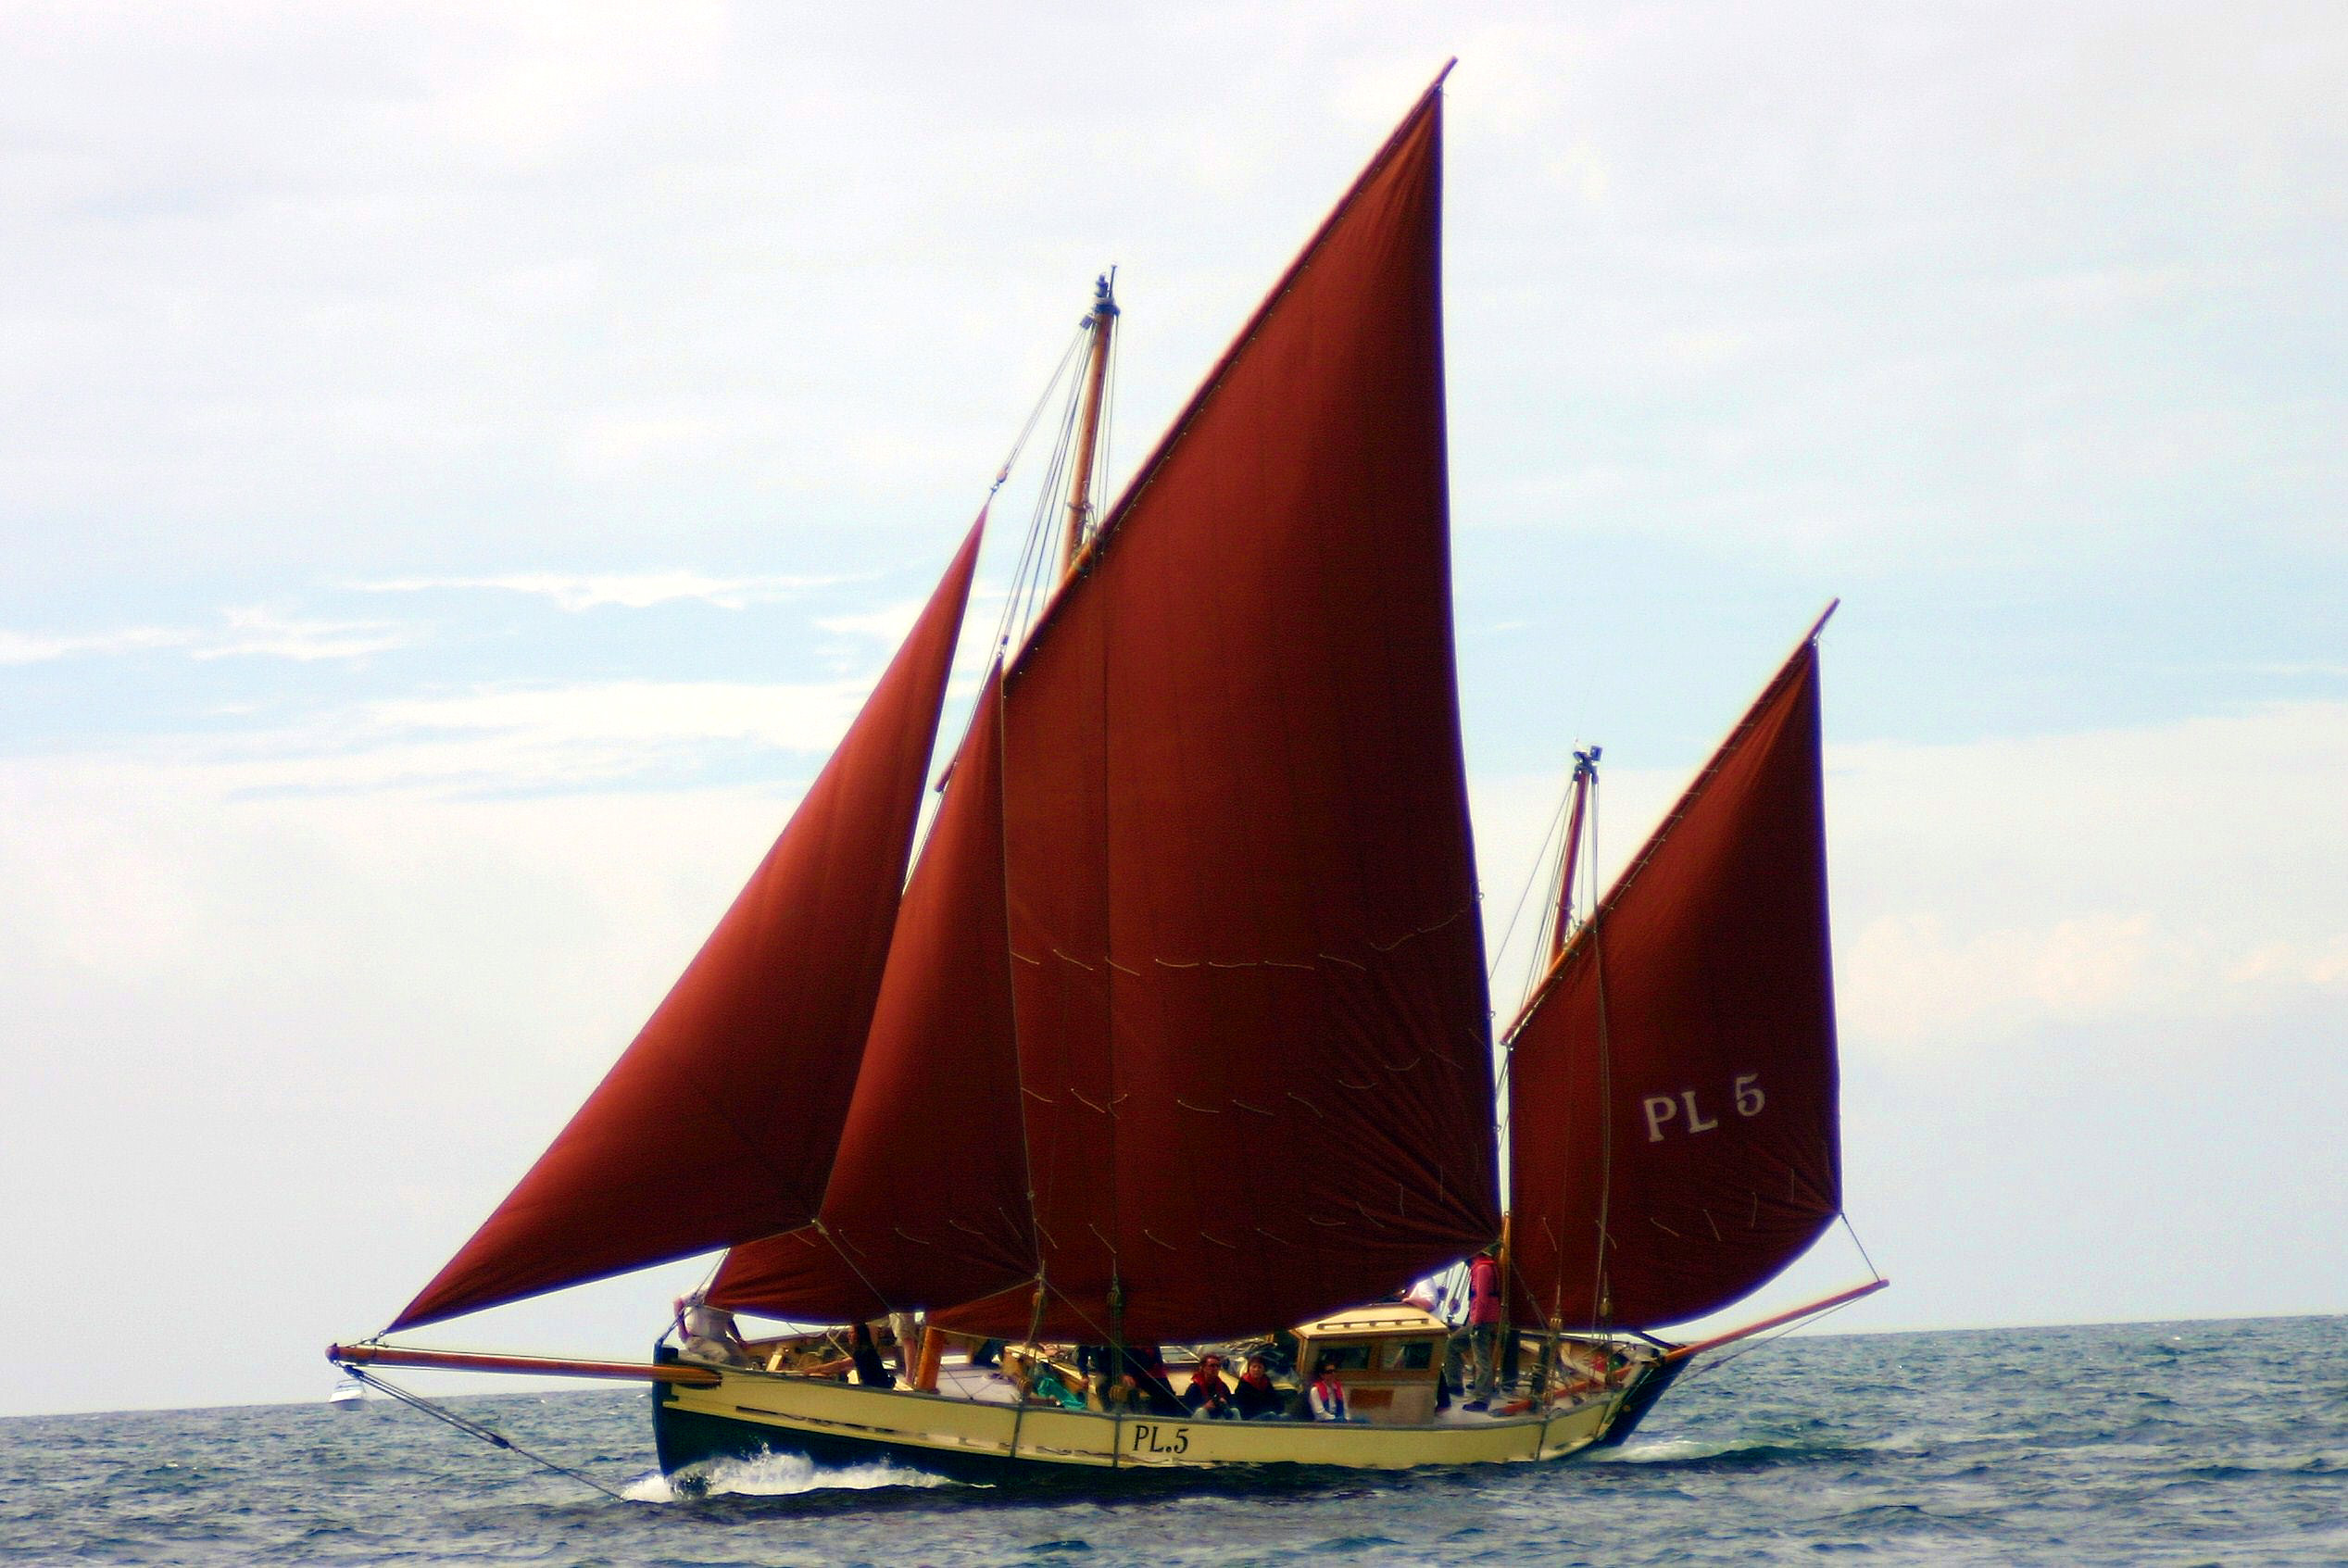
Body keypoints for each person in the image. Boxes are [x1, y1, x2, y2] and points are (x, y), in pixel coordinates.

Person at [1464, 1248, 1502, 1410]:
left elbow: (1482, 1298)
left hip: (1482, 1320)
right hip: (1485, 1318)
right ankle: (1455, 1386)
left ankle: (1481, 1400)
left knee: (1482, 1360)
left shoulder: (1482, 1269)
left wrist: (1477, 1321)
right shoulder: (1484, 1267)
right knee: (1453, 1344)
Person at [673, 1293, 751, 1366]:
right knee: (723, 1356)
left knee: (743, 1361)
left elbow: (728, 1319)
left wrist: (738, 1339)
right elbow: (678, 1302)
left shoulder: (733, 1297)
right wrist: (682, 1331)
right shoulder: (706, 1291)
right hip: (698, 1340)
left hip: (722, 1340)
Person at [1181, 1354, 1236, 1419]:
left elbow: (1231, 1404)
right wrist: (1205, 1407)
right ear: (1203, 1368)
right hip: (1198, 1421)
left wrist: (1225, 1404)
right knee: (1201, 1411)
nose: (1215, 1368)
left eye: (1217, 1366)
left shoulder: (1223, 1386)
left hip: (1218, 1417)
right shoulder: (1194, 1388)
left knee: (1235, 1411)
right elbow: (1186, 1410)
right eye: (1212, 1366)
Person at [1234, 1354, 1284, 1420]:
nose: (1256, 1370)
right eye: (1254, 1367)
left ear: (1264, 1370)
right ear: (1249, 1369)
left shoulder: (1267, 1383)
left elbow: (1276, 1402)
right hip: (1250, 1419)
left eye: (1259, 1367)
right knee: (1271, 1415)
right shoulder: (1243, 1386)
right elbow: (1242, 1408)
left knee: (1286, 1416)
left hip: (1268, 1414)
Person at [1307, 1356, 1352, 1422]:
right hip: (1324, 1421)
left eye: (1334, 1371)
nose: (1333, 1374)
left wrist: (1348, 1420)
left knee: (1363, 1419)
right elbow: (1320, 1414)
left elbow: (1345, 1410)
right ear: (1322, 1375)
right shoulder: (1315, 1390)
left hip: (1339, 1420)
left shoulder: (1339, 1388)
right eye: (1329, 1372)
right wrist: (1337, 1419)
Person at [849, 1321, 893, 1388]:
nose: (848, 1335)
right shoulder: (867, 1349)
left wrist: (826, 1368)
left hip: (876, 1387)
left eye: (852, 1333)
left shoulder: (864, 1352)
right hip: (878, 1384)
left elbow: (844, 1364)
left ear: (859, 1335)